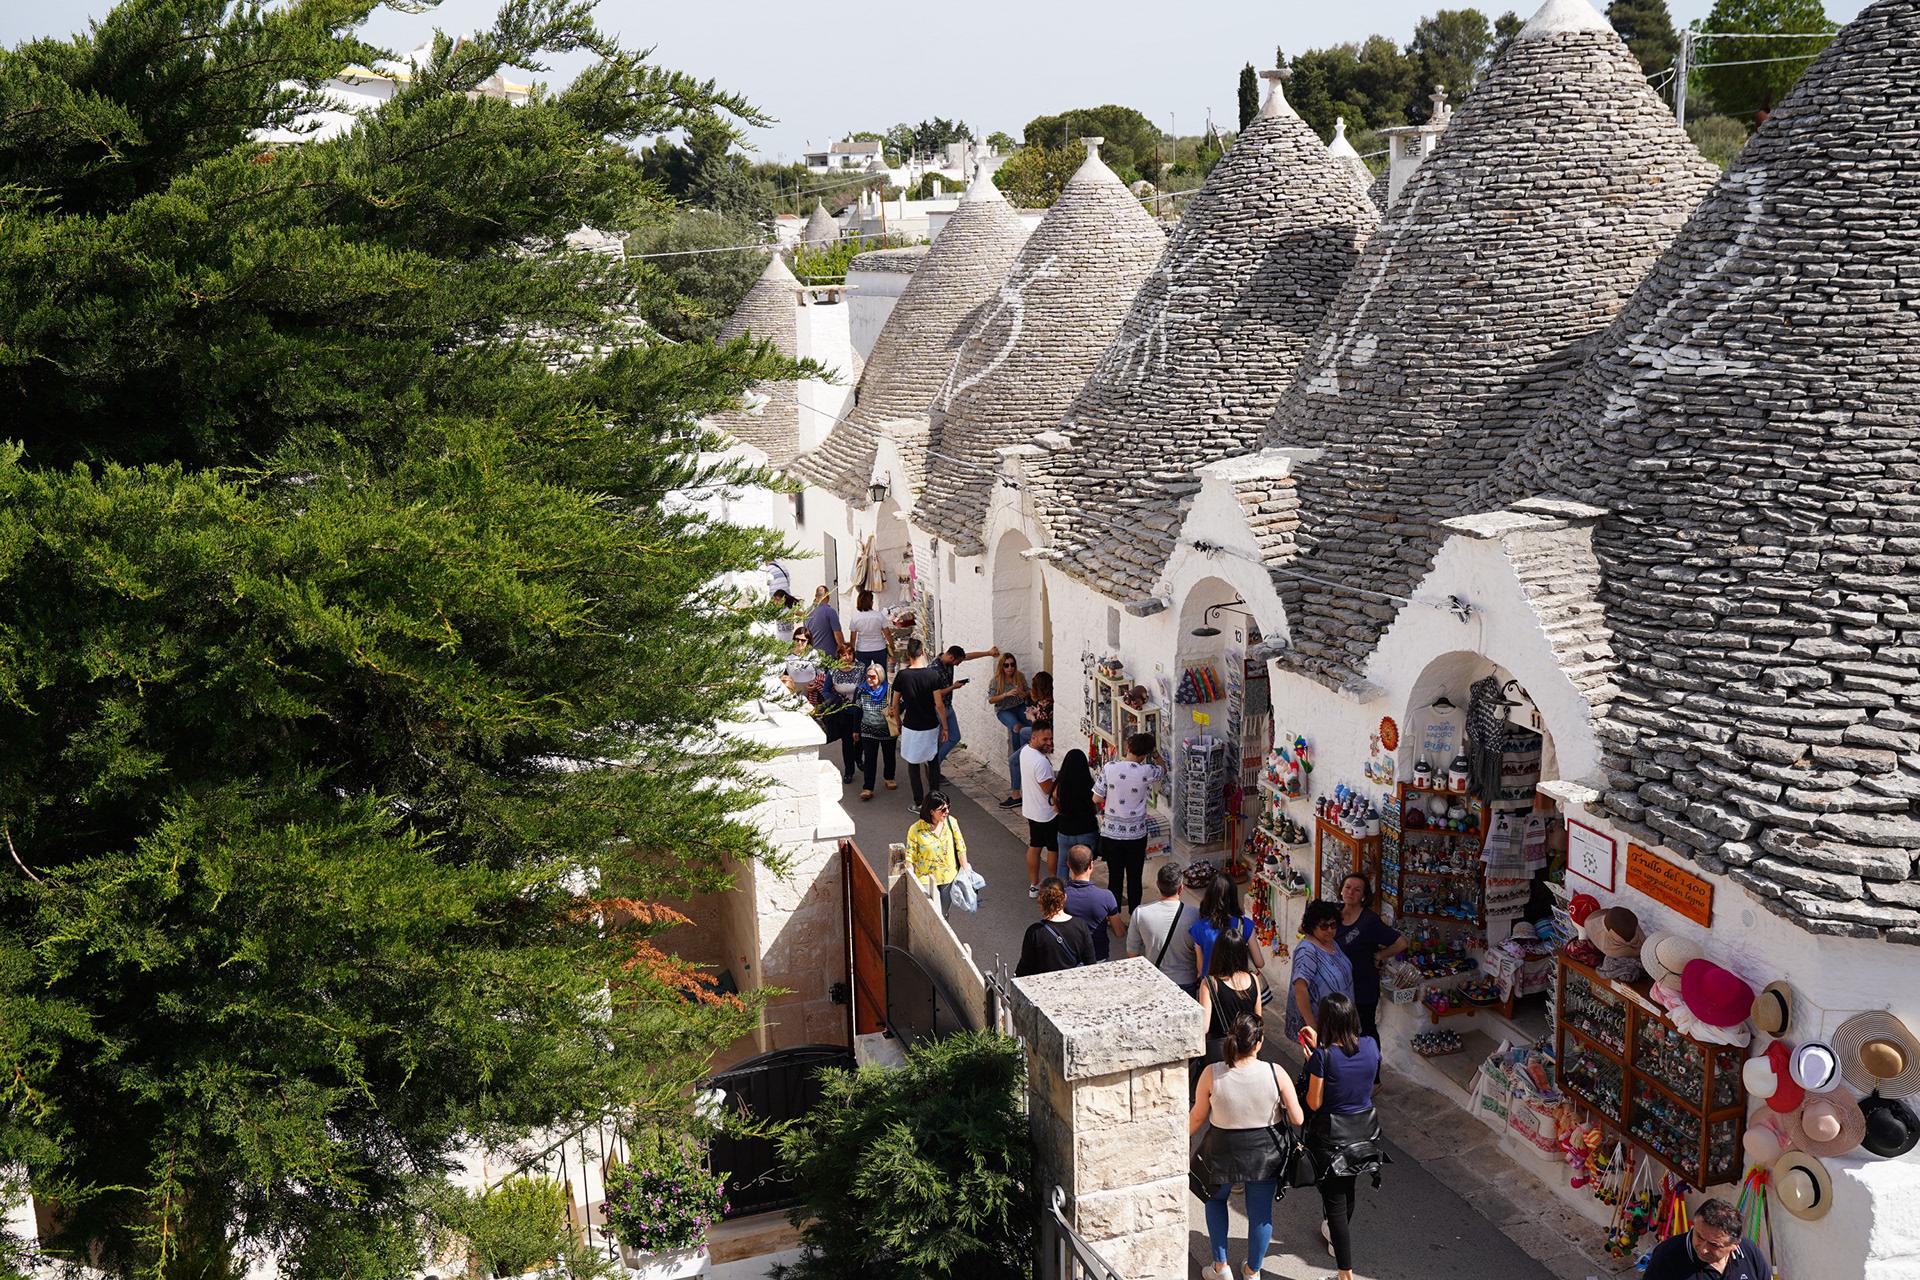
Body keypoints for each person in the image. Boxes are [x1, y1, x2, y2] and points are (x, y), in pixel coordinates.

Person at [1188, 1012, 1303, 1280]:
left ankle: (1220, 1267)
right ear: (1258, 1043)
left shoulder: (1211, 1073)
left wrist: (1181, 1138)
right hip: (1265, 1154)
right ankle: (1252, 1271)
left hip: (1222, 1151)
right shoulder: (1276, 1072)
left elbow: (1197, 1116)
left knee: (1216, 1201)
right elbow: (1298, 1118)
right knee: (1260, 1214)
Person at [1301, 992, 1388, 1280]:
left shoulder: (1322, 1057)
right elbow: (1359, 1076)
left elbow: (1314, 1103)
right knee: (1347, 1190)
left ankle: (1345, 1275)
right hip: (1363, 1135)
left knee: (1335, 1203)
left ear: (1326, 1021)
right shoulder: (1371, 1045)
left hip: (1331, 1140)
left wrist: (1314, 1062)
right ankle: (1334, 1241)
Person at [1335, 873, 1407, 1044]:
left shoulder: (1369, 921)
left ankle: (1371, 1061)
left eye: (1357, 890)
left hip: (1362, 988)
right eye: (1347, 887)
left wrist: (1378, 955)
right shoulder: (1334, 913)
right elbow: (1305, 927)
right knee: (1340, 1031)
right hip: (1338, 986)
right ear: (1341, 890)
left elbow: (1401, 943)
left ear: (1364, 896)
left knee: (1365, 1032)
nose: (1350, 892)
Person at [1095, 733, 1164, 912]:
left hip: (1112, 834)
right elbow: (1162, 769)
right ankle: (1135, 915)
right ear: (1144, 755)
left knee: (1115, 878)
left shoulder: (1110, 767)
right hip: (1136, 835)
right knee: (1134, 878)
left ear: (1127, 748)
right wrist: (1155, 753)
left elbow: (1096, 798)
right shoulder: (1146, 771)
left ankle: (1114, 916)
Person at [1196, 922, 1266, 1087]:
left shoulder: (1209, 983)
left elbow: (1204, 1027)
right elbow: (1258, 1020)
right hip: (1248, 1052)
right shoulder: (1253, 980)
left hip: (1220, 1056)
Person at [1640, 1198, 1768, 1280]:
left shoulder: (1749, 1251)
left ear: (1735, 1245)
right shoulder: (1667, 1255)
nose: (1703, 1249)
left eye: (1714, 1244)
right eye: (1699, 1236)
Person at [1287, 900, 1357, 1045]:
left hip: (1340, 1023)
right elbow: (1300, 989)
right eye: (1324, 926)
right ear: (1312, 926)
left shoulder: (1330, 942)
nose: (1330, 930)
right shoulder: (1307, 951)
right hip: (1323, 1027)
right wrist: (1313, 1028)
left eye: (1333, 925)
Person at [1126, 862, 1201, 995]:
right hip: (1186, 981)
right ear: (1181, 888)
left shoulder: (1140, 913)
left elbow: (1132, 953)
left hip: (1155, 981)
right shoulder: (1195, 915)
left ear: (1157, 884)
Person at [891, 639, 947, 808]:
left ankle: (919, 802)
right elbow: (939, 704)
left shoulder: (902, 676)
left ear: (908, 655)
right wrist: (945, 727)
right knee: (933, 762)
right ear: (923, 652)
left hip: (911, 725)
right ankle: (935, 801)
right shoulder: (932, 675)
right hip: (930, 724)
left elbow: (895, 705)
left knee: (913, 763)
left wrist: (898, 723)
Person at [930, 643, 997, 764]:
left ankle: (934, 765)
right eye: (957, 662)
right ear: (951, 657)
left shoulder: (948, 660)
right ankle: (934, 767)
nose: (958, 665)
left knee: (954, 737)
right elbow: (935, 694)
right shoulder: (934, 669)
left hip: (949, 707)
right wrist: (953, 687)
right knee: (938, 742)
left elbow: (969, 656)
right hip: (938, 709)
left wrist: (988, 653)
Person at [1190, 874, 1266, 982]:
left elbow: (1201, 968)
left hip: (1212, 986)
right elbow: (1259, 963)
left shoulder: (1198, 927)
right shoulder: (1245, 924)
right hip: (1238, 986)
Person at [905, 792, 970, 915]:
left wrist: (966, 872)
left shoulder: (951, 823)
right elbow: (910, 856)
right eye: (943, 809)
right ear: (931, 811)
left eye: (948, 807)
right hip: (926, 879)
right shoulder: (915, 829)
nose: (947, 811)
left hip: (948, 878)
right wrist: (912, 882)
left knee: (944, 915)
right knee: (935, 915)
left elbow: (961, 848)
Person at [1015, 877, 1095, 976]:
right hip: (1072, 982)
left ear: (1041, 900)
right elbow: (1090, 962)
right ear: (1064, 897)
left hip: (1044, 983)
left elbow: (1025, 966)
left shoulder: (1035, 932)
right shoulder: (1080, 925)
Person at [1001, 671, 1053, 809]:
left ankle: (1016, 796)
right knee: (1023, 732)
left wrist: (1032, 718)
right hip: (1038, 736)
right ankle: (1024, 756)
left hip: (1043, 741)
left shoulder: (1047, 706)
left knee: (1013, 760)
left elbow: (1041, 731)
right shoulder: (1046, 702)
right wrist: (1036, 711)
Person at [1019, 721, 1058, 898]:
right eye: (1045, 739)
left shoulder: (1025, 752)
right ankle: (1054, 884)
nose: (1049, 742)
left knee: (1035, 846)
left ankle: (1034, 885)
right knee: (1053, 848)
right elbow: (1048, 790)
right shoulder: (1041, 762)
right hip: (1047, 813)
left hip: (1031, 810)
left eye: (1050, 738)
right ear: (1034, 737)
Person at [1062, 845, 1121, 962]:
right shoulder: (1106, 896)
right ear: (1091, 865)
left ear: (1069, 865)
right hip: (1098, 956)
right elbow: (1119, 932)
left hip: (1068, 958)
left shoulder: (1060, 896)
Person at [1052, 749, 1099, 880]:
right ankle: (1081, 890)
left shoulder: (1059, 786)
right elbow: (1096, 808)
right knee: (1084, 867)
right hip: (1086, 830)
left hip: (1065, 830)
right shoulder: (1089, 784)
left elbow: (1056, 809)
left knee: (1063, 863)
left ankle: (1061, 891)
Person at [988, 654, 1030, 801]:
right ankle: (1018, 754)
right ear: (1002, 666)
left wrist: (1024, 694)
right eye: (1006, 665)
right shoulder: (996, 680)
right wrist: (1006, 694)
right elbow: (991, 700)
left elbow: (1028, 690)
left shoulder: (1020, 676)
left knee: (1034, 725)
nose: (1010, 668)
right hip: (1004, 710)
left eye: (1012, 664)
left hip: (1019, 706)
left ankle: (1025, 751)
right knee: (1016, 727)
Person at [853, 662, 896, 799]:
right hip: (868, 730)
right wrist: (855, 730)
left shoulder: (890, 690)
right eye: (868, 676)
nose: (869, 679)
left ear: (880, 676)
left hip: (887, 730)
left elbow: (901, 704)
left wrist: (894, 710)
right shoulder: (861, 690)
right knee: (869, 759)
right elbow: (857, 710)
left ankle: (889, 777)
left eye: (872, 677)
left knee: (889, 756)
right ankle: (868, 788)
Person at [825, 642, 863, 783]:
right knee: (847, 742)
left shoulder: (861, 668)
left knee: (861, 740)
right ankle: (849, 771)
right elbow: (825, 690)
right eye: (844, 655)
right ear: (839, 656)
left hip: (860, 710)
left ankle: (858, 758)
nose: (847, 657)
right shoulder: (833, 670)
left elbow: (867, 684)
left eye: (850, 654)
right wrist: (835, 700)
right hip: (844, 712)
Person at [847, 589, 890, 671]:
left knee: (863, 674)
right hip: (879, 648)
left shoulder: (855, 618)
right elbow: (887, 633)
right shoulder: (879, 615)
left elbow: (853, 637)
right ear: (871, 602)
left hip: (862, 649)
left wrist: (852, 650)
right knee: (881, 673)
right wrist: (892, 645)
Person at [805, 585, 844, 660]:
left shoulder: (807, 612)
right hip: (829, 655)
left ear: (815, 596)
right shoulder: (830, 611)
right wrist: (843, 649)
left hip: (813, 655)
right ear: (827, 596)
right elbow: (837, 633)